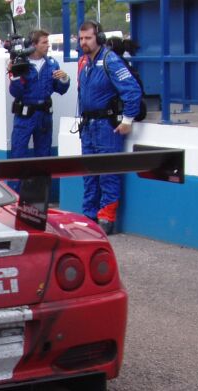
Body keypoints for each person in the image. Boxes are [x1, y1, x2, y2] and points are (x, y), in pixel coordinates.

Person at [77, 21, 142, 235]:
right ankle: (89, 216)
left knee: (108, 173)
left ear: (100, 38)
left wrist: (127, 120)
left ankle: (106, 219)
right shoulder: (85, 63)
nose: (84, 42)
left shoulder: (110, 60)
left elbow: (132, 91)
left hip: (106, 126)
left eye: (88, 38)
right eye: (81, 38)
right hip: (88, 126)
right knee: (89, 174)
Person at [8, 29, 70, 163]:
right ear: (34, 45)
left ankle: (43, 184)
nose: (48, 45)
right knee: (18, 155)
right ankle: (17, 184)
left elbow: (60, 89)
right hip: (24, 116)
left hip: (44, 116)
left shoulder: (52, 64)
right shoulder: (21, 64)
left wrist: (64, 79)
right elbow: (15, 92)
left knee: (44, 156)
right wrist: (15, 75)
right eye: (45, 42)